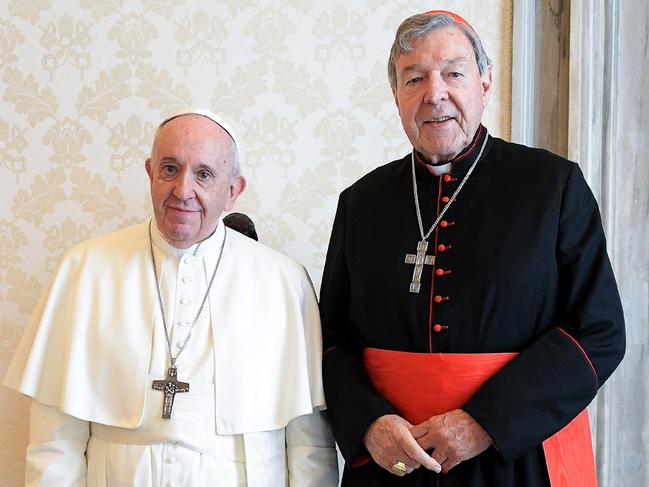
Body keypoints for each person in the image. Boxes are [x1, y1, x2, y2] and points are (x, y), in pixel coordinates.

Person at [319, 10, 625, 487]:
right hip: (394, 461)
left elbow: (599, 330)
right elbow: (332, 339)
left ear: (485, 83)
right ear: (396, 96)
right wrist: (367, 424)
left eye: (453, 73)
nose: (434, 93)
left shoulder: (553, 186)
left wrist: (485, 421)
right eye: (413, 78)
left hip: (515, 457)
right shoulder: (362, 202)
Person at [4, 108, 338, 486]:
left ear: (233, 190)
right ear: (150, 173)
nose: (183, 191)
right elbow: (55, 442)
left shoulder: (283, 283)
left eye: (204, 174)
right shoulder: (85, 269)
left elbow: (310, 448)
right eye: (169, 168)